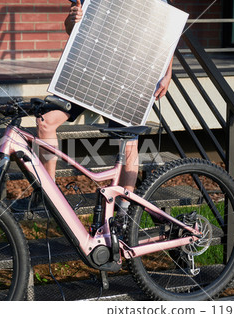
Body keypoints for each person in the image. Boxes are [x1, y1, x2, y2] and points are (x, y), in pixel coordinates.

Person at [12, 0, 174, 214]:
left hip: (129, 77)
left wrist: (168, 72)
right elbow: (72, 29)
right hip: (88, 74)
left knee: (128, 144)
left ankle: (125, 212)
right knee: (46, 120)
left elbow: (168, 30)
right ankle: (48, 194)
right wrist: (72, 21)